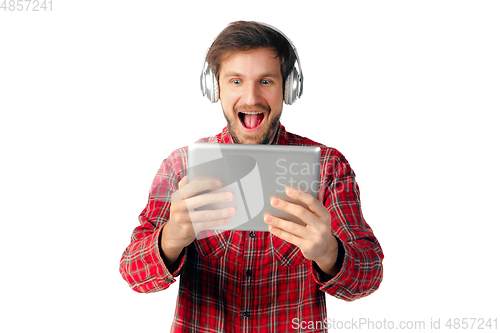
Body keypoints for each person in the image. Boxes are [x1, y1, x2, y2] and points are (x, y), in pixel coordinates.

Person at [119, 21, 384, 332]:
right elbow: (134, 275)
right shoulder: (181, 166)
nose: (250, 97)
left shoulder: (328, 168)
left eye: (266, 81)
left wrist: (328, 252)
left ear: (289, 87)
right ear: (214, 87)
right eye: (235, 81)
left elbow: (368, 278)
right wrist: (171, 238)